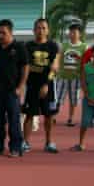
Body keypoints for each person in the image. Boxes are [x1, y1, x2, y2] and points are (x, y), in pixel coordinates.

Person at [0, 19, 28, 157]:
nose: (0, 35)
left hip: (12, 91)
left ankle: (16, 148)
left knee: (14, 120)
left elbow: (25, 68)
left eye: (3, 33)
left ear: (10, 32)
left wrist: (20, 86)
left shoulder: (19, 47)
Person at [22, 18, 61, 153]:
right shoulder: (28, 46)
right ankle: (25, 142)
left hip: (48, 85)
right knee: (29, 114)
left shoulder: (53, 46)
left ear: (48, 30)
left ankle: (49, 142)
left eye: (44, 28)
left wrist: (45, 84)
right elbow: (25, 66)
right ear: (34, 30)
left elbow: (55, 67)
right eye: (38, 28)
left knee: (49, 115)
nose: (41, 30)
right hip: (31, 85)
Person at [56, 22, 86, 127]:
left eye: (74, 32)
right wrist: (57, 70)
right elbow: (59, 58)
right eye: (71, 32)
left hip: (76, 78)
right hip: (62, 77)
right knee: (58, 98)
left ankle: (70, 118)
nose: (72, 34)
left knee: (73, 100)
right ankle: (53, 116)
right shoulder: (64, 45)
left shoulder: (84, 47)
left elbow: (85, 62)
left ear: (80, 34)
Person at [73, 49, 94, 151]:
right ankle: (81, 143)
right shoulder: (86, 67)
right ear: (92, 54)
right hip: (88, 99)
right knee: (85, 122)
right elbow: (83, 83)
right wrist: (88, 97)